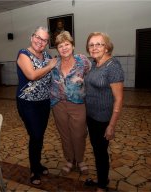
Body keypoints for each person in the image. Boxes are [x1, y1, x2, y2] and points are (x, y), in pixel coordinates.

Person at [16, 26, 57, 185]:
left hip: (44, 102)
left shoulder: (46, 55)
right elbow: (32, 75)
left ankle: (38, 164)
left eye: (44, 40)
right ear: (32, 37)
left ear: (47, 42)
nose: (40, 42)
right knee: (36, 135)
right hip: (27, 103)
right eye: (38, 38)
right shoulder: (23, 54)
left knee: (39, 135)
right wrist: (50, 66)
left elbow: (54, 74)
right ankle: (34, 170)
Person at [84, 32, 124, 192]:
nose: (94, 48)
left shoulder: (113, 66)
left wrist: (112, 125)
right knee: (97, 149)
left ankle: (102, 185)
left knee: (100, 151)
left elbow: (119, 99)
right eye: (91, 44)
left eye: (99, 44)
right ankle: (103, 178)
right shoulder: (95, 63)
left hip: (103, 118)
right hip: (91, 115)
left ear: (107, 47)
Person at [50, 31, 91, 175]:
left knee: (79, 134)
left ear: (72, 46)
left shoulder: (83, 61)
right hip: (58, 104)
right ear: (57, 49)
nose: (64, 48)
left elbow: (90, 77)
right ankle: (69, 159)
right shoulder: (54, 63)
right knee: (65, 134)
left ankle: (80, 160)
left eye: (67, 44)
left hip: (78, 103)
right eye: (60, 45)